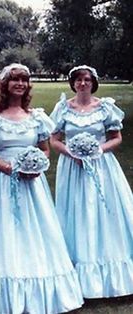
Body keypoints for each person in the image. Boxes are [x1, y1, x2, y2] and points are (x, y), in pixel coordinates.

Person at [0, 63, 83, 313]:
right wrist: (8, 168)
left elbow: (45, 149)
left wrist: (36, 166)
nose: (20, 84)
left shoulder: (37, 118)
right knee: (5, 231)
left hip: (32, 183)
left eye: (24, 80)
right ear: (5, 85)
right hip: (3, 182)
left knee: (37, 229)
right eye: (15, 80)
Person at [50, 65, 133, 298]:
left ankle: (113, 270)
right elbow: (54, 140)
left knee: (105, 213)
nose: (82, 83)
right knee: (76, 212)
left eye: (87, 79)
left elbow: (116, 138)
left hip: (102, 166)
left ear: (93, 83)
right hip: (73, 167)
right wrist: (71, 153)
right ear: (73, 83)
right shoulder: (63, 108)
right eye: (78, 80)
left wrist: (98, 150)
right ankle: (76, 270)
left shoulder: (105, 107)